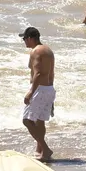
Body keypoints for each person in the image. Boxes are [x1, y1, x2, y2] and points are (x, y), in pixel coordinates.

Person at [19, 27, 55, 161]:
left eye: (24, 39)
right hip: (49, 88)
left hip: (39, 89)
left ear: (30, 38)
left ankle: (45, 149)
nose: (24, 42)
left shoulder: (36, 51)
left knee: (27, 120)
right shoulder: (48, 50)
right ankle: (40, 150)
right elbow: (50, 73)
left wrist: (30, 92)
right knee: (40, 121)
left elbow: (38, 73)